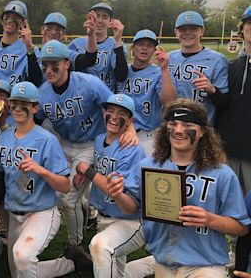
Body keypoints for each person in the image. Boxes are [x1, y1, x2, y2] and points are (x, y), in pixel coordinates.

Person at [107, 98, 250, 277]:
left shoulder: (221, 173)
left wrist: (209, 219)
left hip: (206, 265)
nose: (178, 130)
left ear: (202, 132)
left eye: (187, 124)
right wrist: (118, 194)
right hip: (164, 261)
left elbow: (241, 227)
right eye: (173, 124)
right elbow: (131, 208)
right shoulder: (148, 166)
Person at [36, 40, 136, 255]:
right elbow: (36, 120)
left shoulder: (89, 83)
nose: (48, 69)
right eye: (45, 65)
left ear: (67, 63)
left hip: (89, 143)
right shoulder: (43, 92)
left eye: (54, 64)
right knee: (60, 192)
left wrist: (131, 128)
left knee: (69, 197)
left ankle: (74, 245)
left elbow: (117, 105)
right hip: (63, 143)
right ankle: (83, 214)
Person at [0, 81, 83, 277]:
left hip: (41, 212)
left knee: (22, 257)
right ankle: (69, 264)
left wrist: (41, 171)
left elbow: (66, 186)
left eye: (25, 103)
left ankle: (68, 263)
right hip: (14, 214)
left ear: (35, 108)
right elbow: (2, 175)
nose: (18, 108)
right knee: (19, 271)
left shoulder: (47, 140)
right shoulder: (5, 137)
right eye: (14, 103)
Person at [75, 94, 153, 278]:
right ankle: (154, 263)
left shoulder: (132, 149)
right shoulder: (100, 139)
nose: (114, 116)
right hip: (104, 216)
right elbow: (105, 167)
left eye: (121, 113)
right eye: (110, 111)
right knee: (114, 269)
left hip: (129, 221)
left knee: (100, 246)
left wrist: (87, 171)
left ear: (130, 121)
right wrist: (88, 175)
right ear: (104, 113)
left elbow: (114, 189)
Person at [117, 29, 175, 155]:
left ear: (154, 50)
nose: (145, 48)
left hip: (147, 136)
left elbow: (169, 102)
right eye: (140, 44)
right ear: (132, 47)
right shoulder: (121, 72)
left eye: (149, 45)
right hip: (121, 131)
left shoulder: (159, 73)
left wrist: (164, 69)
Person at [167, 11, 228, 125]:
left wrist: (212, 90)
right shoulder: (168, 58)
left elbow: (225, 103)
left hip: (202, 126)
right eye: (183, 29)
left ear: (201, 31)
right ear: (176, 32)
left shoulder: (217, 60)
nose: (188, 33)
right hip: (173, 125)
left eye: (193, 28)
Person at [217, 5, 251, 193]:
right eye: (249, 23)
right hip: (227, 151)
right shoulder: (231, 66)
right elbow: (224, 106)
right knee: (227, 209)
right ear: (242, 28)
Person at [69, 3, 128, 91]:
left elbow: (121, 76)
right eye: (96, 16)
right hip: (82, 96)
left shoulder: (116, 44)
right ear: (89, 19)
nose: (99, 20)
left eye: (105, 17)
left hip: (107, 97)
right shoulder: (77, 43)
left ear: (110, 22)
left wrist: (118, 40)